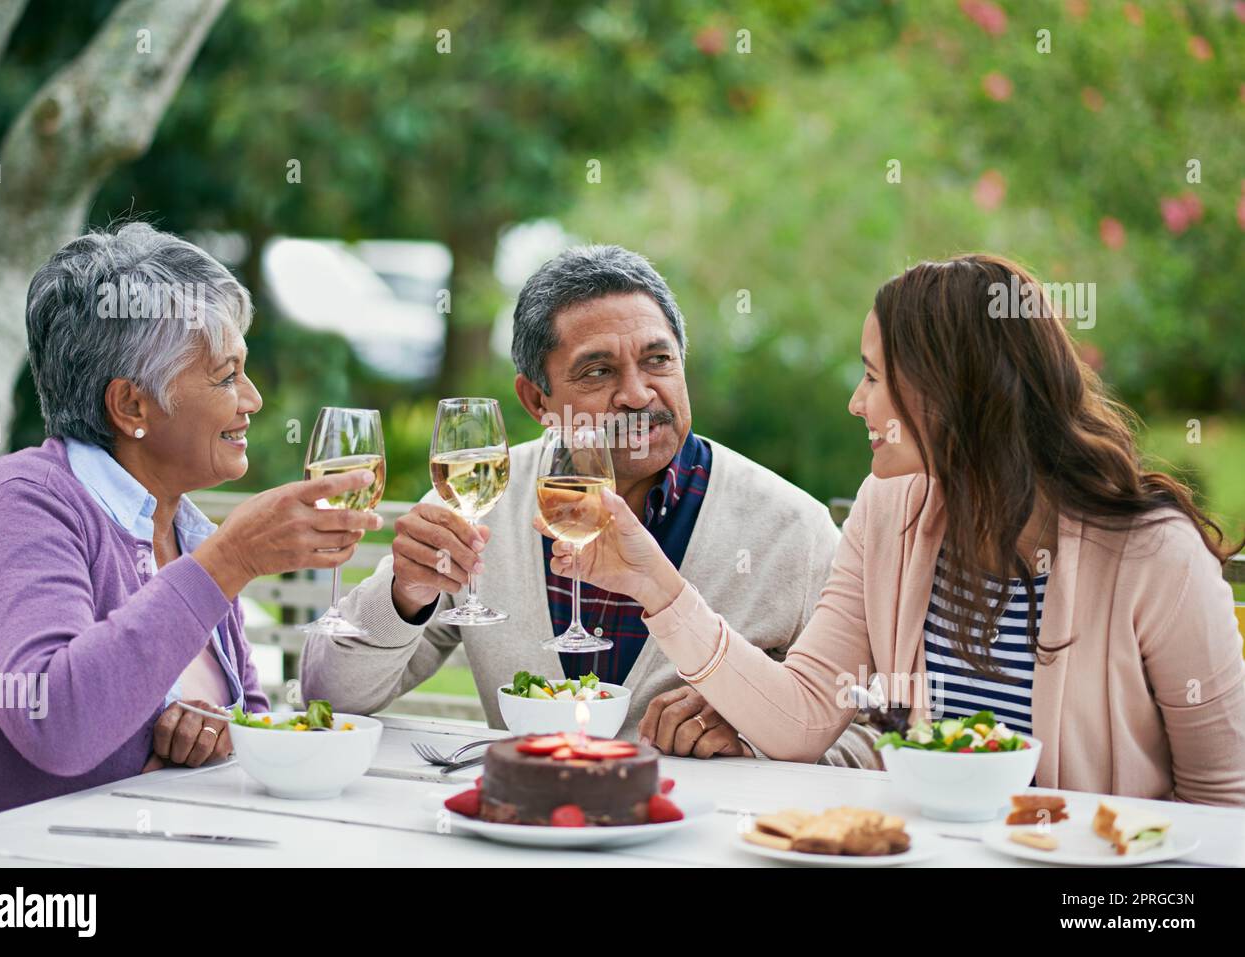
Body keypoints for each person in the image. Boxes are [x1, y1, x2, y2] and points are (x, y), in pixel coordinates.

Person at [534, 254, 1245, 805]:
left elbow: (1225, 800)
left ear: (947, 393)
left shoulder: (1156, 555)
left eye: (873, 377)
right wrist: (651, 581)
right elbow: (805, 715)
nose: (855, 402)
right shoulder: (889, 509)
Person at [303, 245, 879, 765]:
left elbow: (875, 734)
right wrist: (402, 595)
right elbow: (329, 694)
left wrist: (755, 735)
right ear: (536, 398)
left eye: (659, 360)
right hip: (521, 834)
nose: (636, 394)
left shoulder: (791, 529)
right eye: (598, 371)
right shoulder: (481, 497)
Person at [0, 223, 381, 826]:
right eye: (226, 376)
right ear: (131, 406)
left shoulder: (184, 527)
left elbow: (245, 718)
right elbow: (55, 720)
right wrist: (230, 562)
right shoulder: (17, 504)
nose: (252, 399)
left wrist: (218, 734)